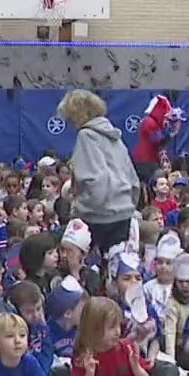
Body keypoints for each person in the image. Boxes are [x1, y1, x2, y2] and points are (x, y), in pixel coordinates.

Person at [64, 89, 140, 259]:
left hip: (98, 217)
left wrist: (80, 207)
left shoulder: (86, 136)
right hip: (124, 213)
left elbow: (95, 180)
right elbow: (132, 178)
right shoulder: (115, 137)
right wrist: (129, 203)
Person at [130, 94, 180, 188]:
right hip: (146, 162)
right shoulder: (150, 122)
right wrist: (172, 132)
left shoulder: (150, 122)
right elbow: (158, 141)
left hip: (147, 161)